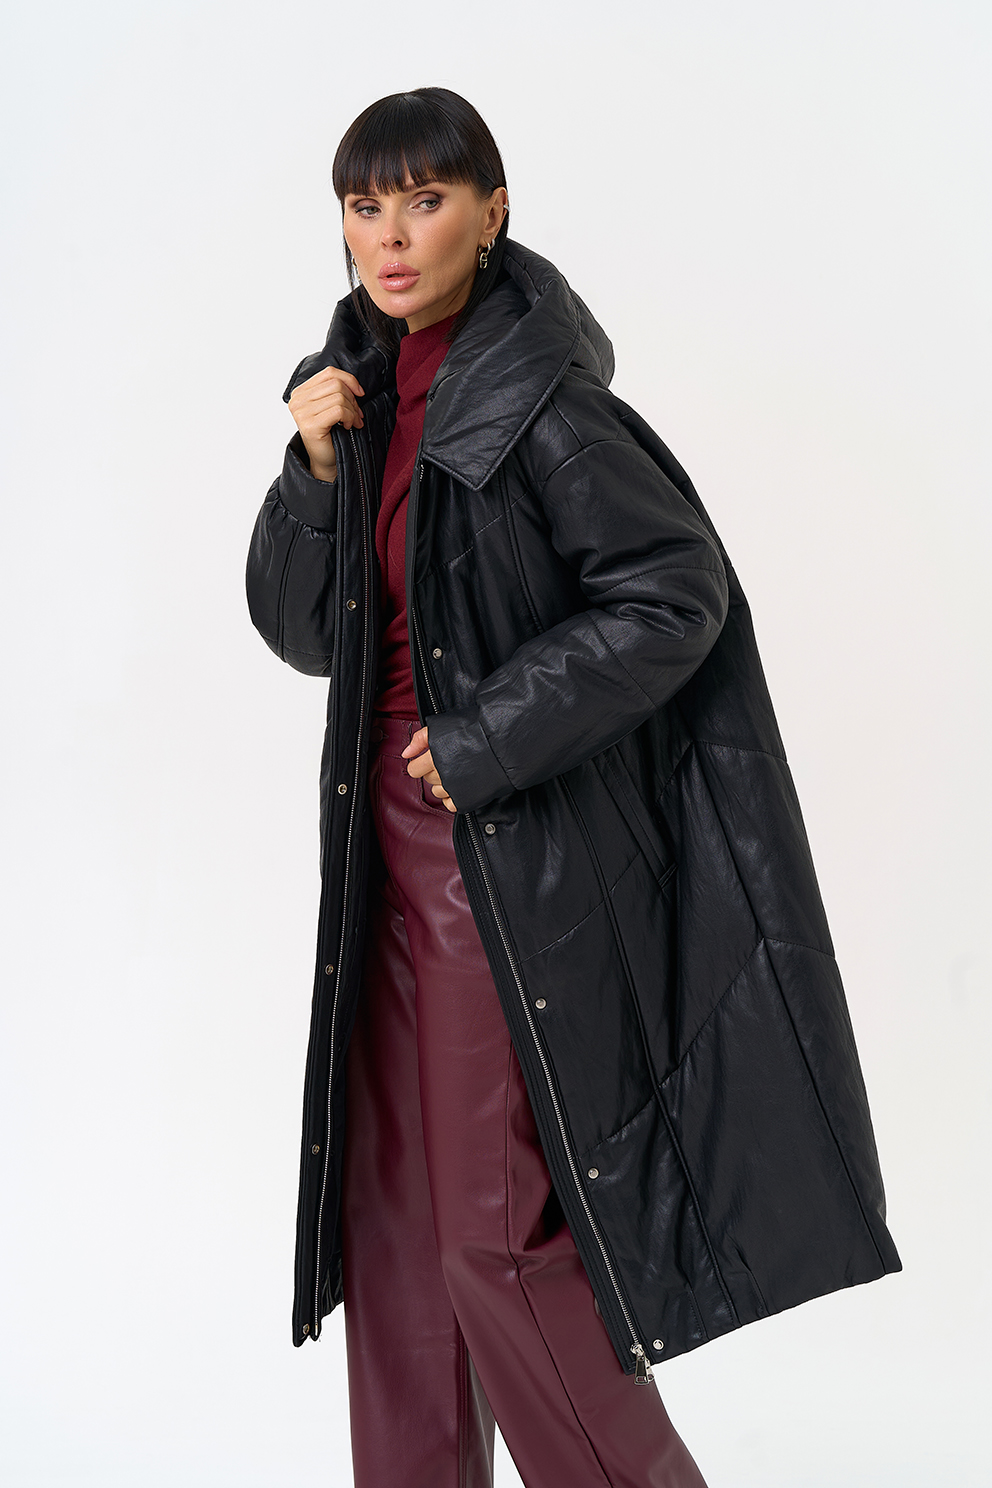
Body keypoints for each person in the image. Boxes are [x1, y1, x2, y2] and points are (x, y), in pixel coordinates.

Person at [246, 87, 900, 1488]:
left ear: (492, 213)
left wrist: (488, 738)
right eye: (365, 206)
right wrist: (311, 469)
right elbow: (305, 633)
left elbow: (676, 596)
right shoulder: (356, 397)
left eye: (425, 201)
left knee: (501, 1239)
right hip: (379, 859)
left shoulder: (538, 404)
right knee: (397, 1229)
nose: (391, 235)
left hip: (502, 859)